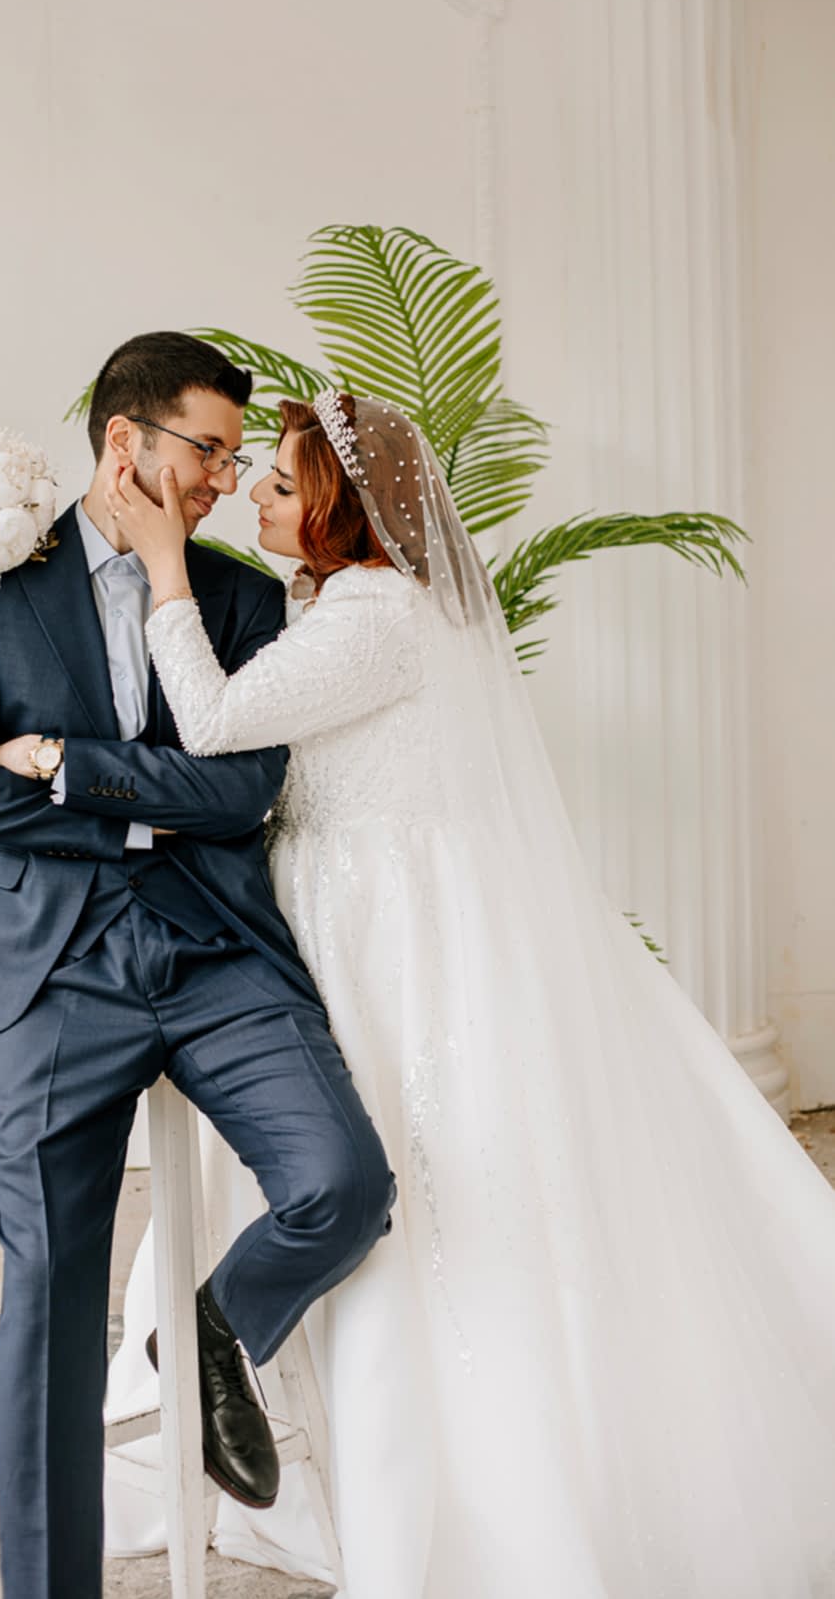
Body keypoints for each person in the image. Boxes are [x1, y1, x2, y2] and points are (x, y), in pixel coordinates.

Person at [86, 390, 835, 1599]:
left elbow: (214, 720)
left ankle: (426, 1465)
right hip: (361, 905)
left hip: (387, 930)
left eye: (281, 480)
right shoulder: (348, 604)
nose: (257, 494)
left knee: (423, 1176)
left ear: (341, 505)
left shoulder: (375, 616)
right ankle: (259, 1373)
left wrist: (166, 562)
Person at [0, 337, 395, 1599]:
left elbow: (243, 791)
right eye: (209, 450)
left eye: (237, 459)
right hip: (52, 967)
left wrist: (66, 765)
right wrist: (149, 809)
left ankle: (209, 1334)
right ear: (125, 440)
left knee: (343, 1181)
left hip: (217, 952)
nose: (226, 480)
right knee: (49, 1283)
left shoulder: (240, 597)